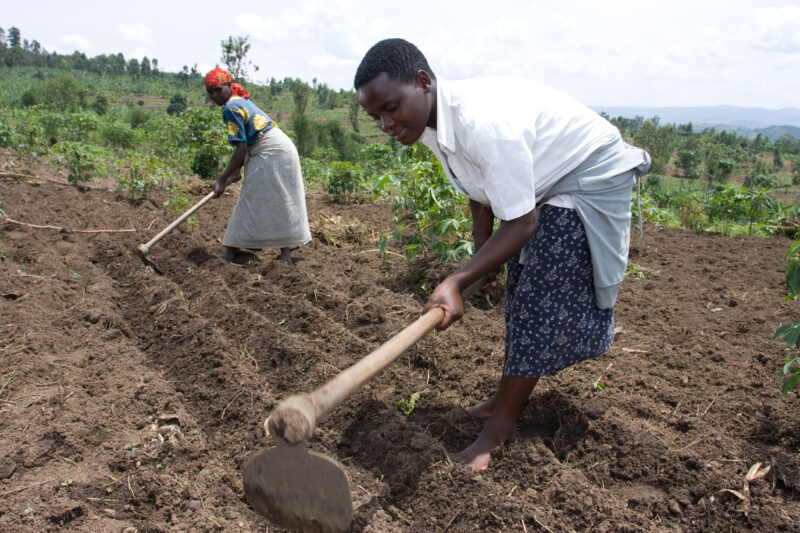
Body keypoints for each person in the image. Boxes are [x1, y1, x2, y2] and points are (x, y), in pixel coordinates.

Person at [355, 39, 650, 471]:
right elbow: (481, 195)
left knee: (537, 297)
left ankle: (499, 429)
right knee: (520, 293)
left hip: (586, 177)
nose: (385, 123)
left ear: (423, 82)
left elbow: (523, 223)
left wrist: (457, 280)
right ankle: (502, 399)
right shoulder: (432, 123)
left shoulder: (482, 122)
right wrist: (481, 261)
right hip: (544, 188)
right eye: (376, 115)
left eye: (391, 107)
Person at [205, 67, 311, 264]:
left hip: (272, 151)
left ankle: (233, 251)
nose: (214, 95)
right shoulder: (237, 101)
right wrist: (235, 170)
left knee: (254, 195)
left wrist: (221, 180)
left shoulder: (231, 107)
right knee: (271, 198)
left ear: (229, 86)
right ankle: (274, 252)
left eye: (218, 89)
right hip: (277, 149)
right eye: (210, 92)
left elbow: (241, 148)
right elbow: (244, 144)